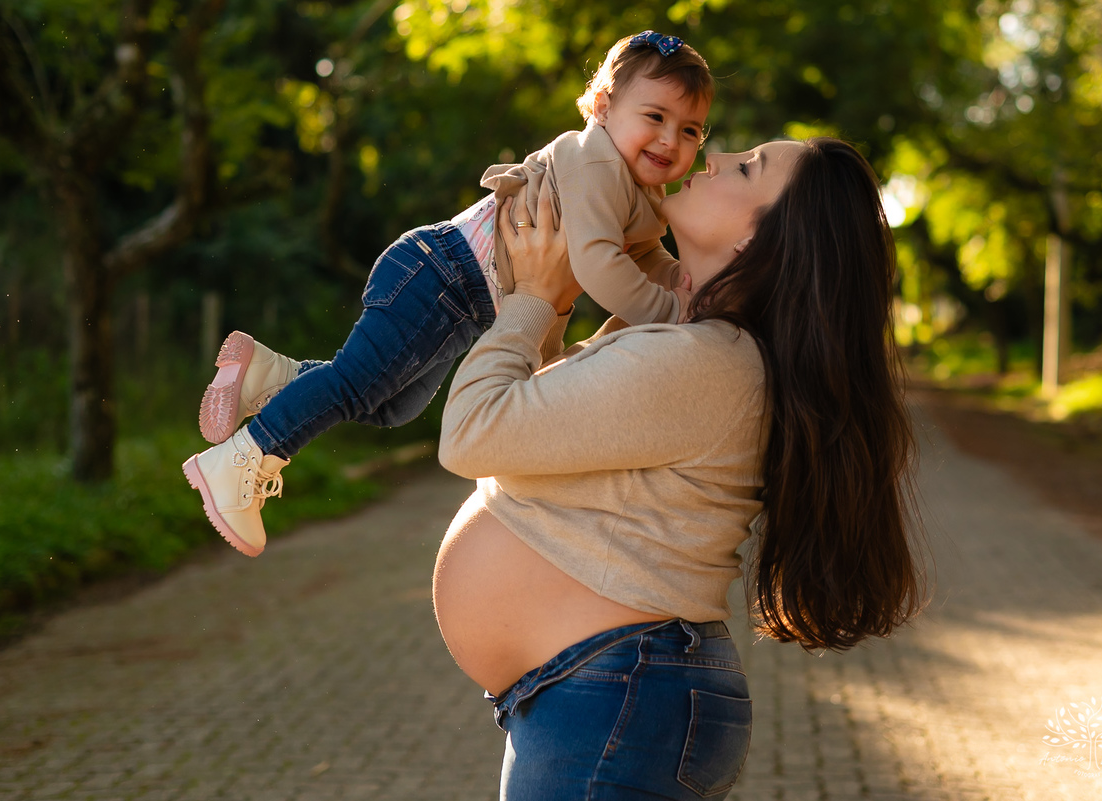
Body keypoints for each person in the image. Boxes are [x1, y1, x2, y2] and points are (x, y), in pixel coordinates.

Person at [433, 137, 925, 800]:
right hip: (606, 696)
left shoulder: (707, 362)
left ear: (759, 244)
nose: (714, 156)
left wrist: (530, 301)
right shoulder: (693, 344)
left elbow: (471, 433)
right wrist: (553, 294)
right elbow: (542, 426)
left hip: (616, 699)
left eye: (747, 168)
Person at [181, 31, 714, 557]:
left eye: (690, 130)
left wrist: (690, 290)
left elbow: (645, 260)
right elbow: (601, 266)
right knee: (356, 387)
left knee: (393, 406)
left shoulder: (642, 191)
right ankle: (242, 458)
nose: (671, 140)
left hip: (460, 296)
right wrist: (672, 312)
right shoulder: (595, 161)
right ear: (602, 107)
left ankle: (270, 375)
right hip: (442, 273)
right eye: (655, 118)